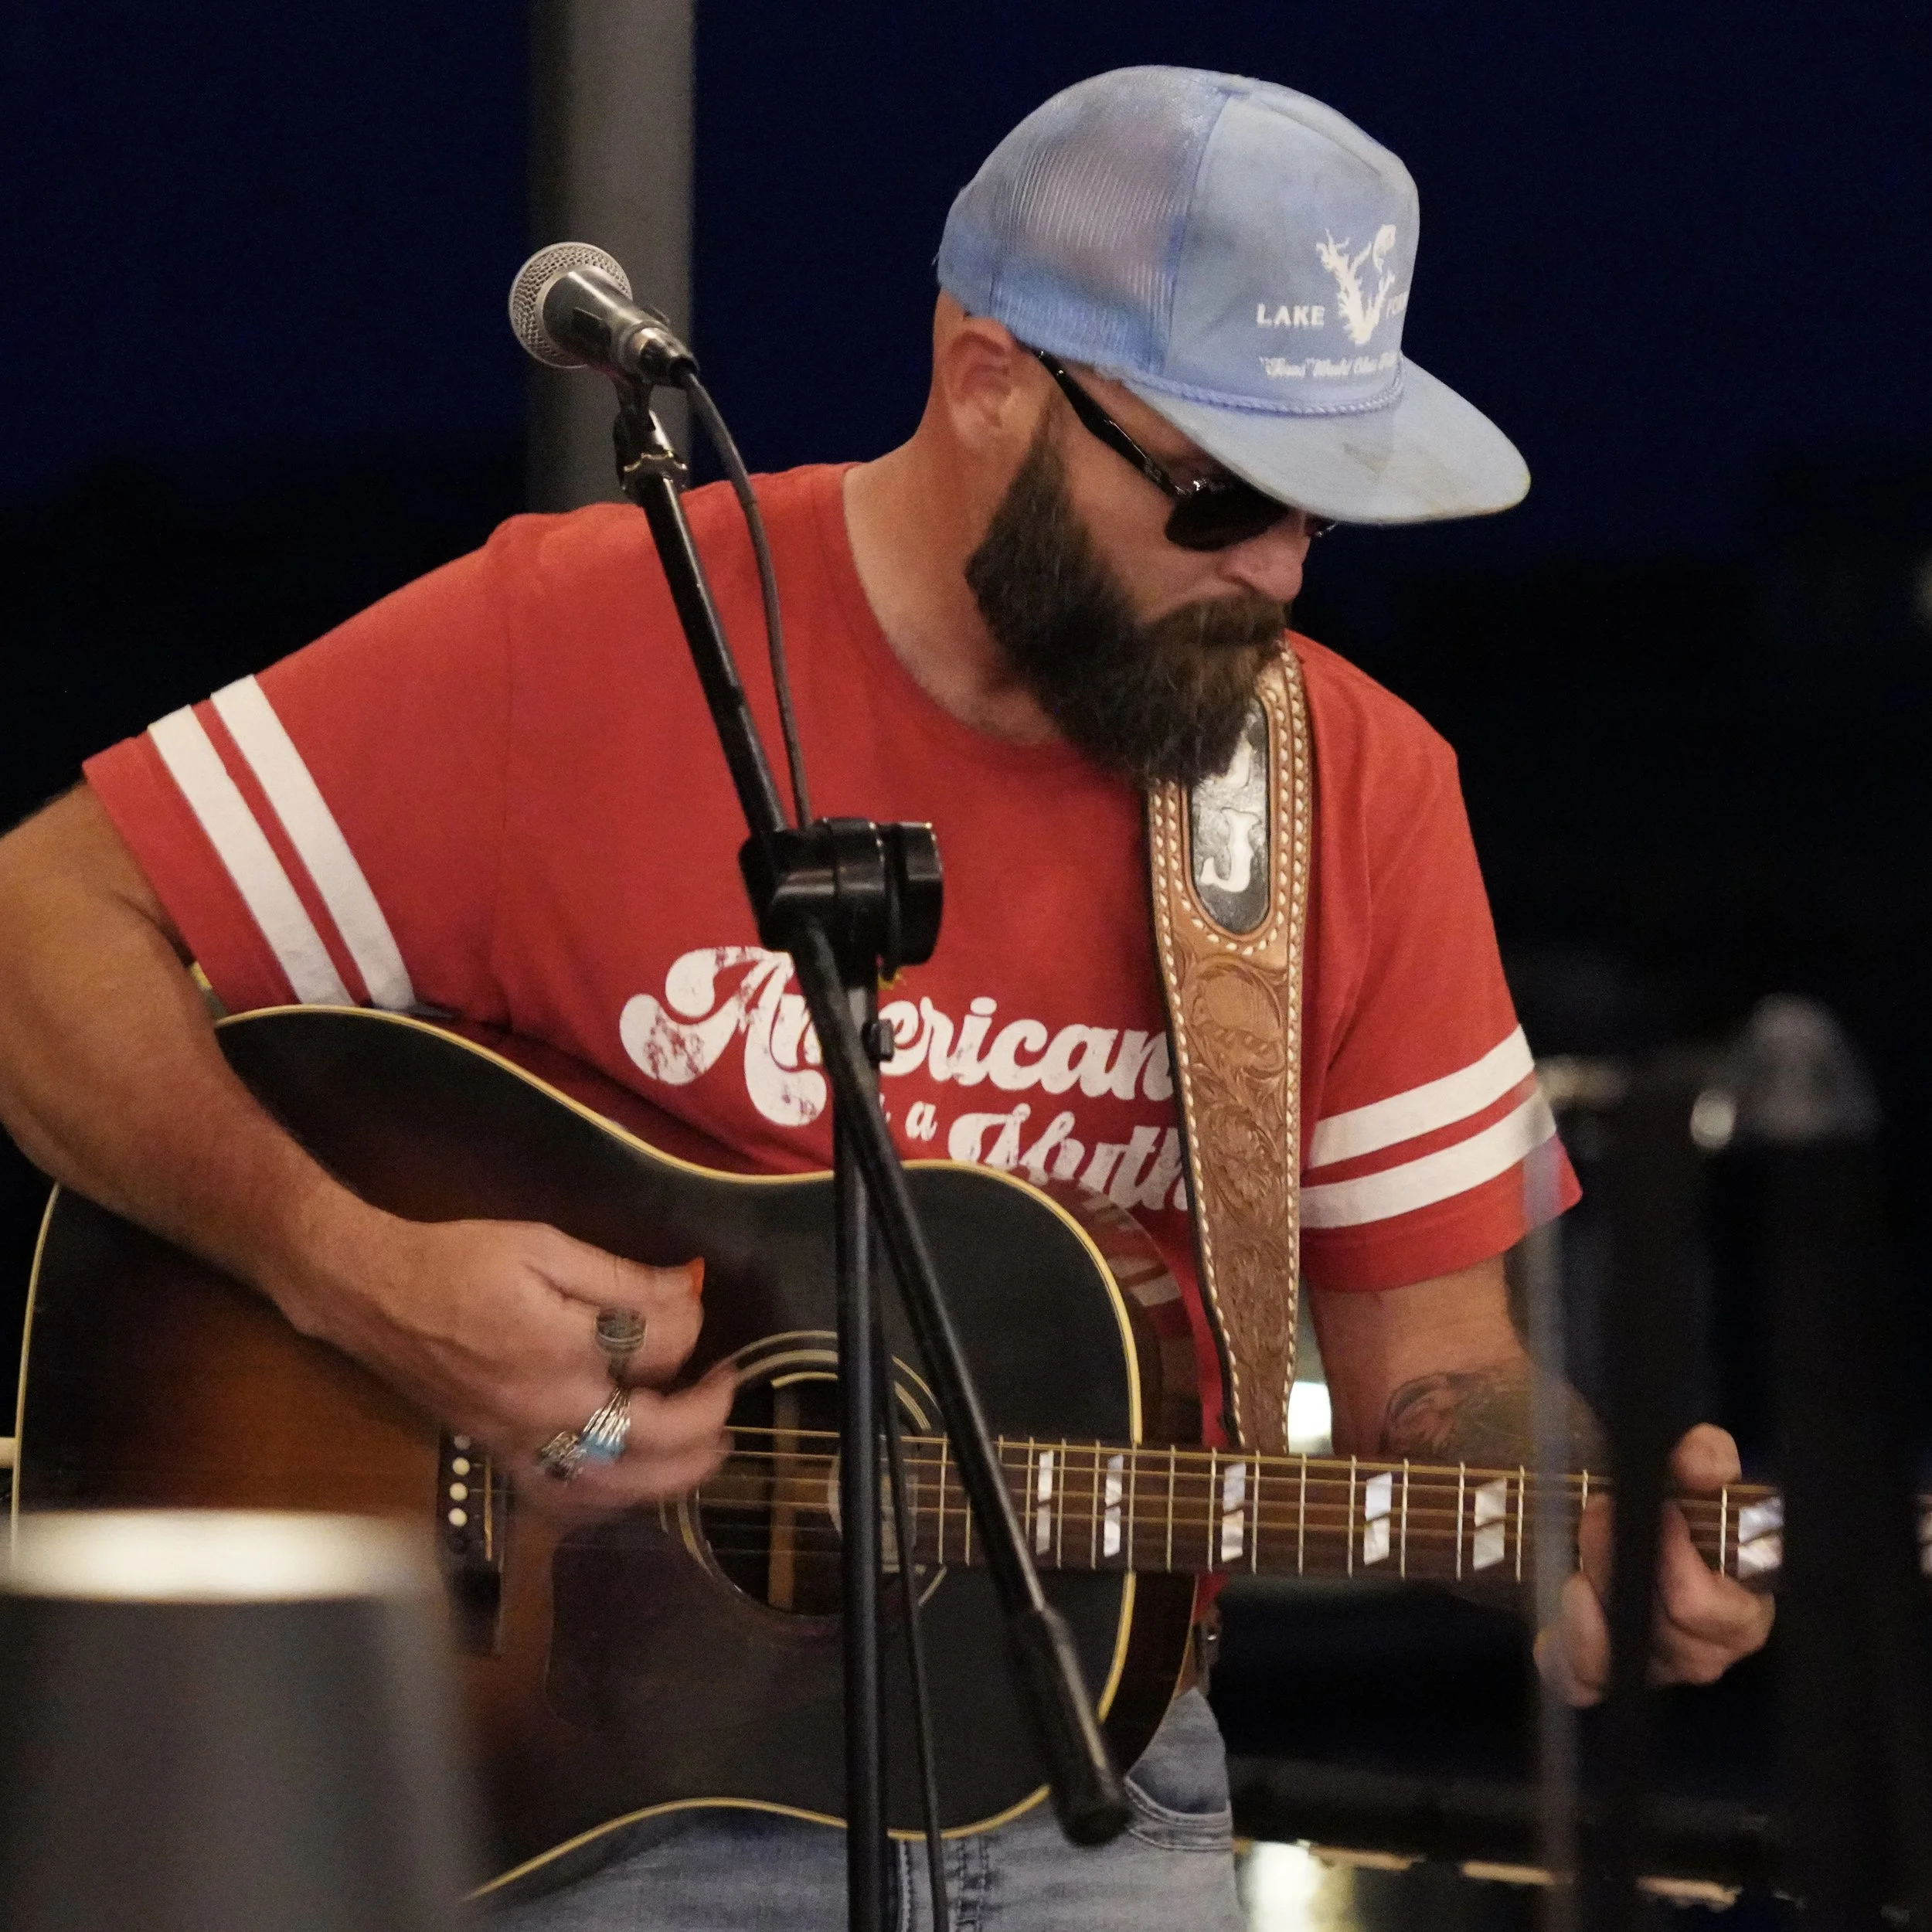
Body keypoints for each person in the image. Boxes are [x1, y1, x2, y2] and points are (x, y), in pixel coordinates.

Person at [0, 66, 1769, 1930]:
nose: (1270, 571)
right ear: (990, 382)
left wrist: (1580, 1499)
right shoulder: (581, 638)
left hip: (1095, 1785)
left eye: (1323, 513)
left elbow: (1437, 1378)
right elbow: (39, 927)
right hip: (570, 1798)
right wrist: (353, 1269)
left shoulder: (1351, 785)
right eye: (1218, 493)